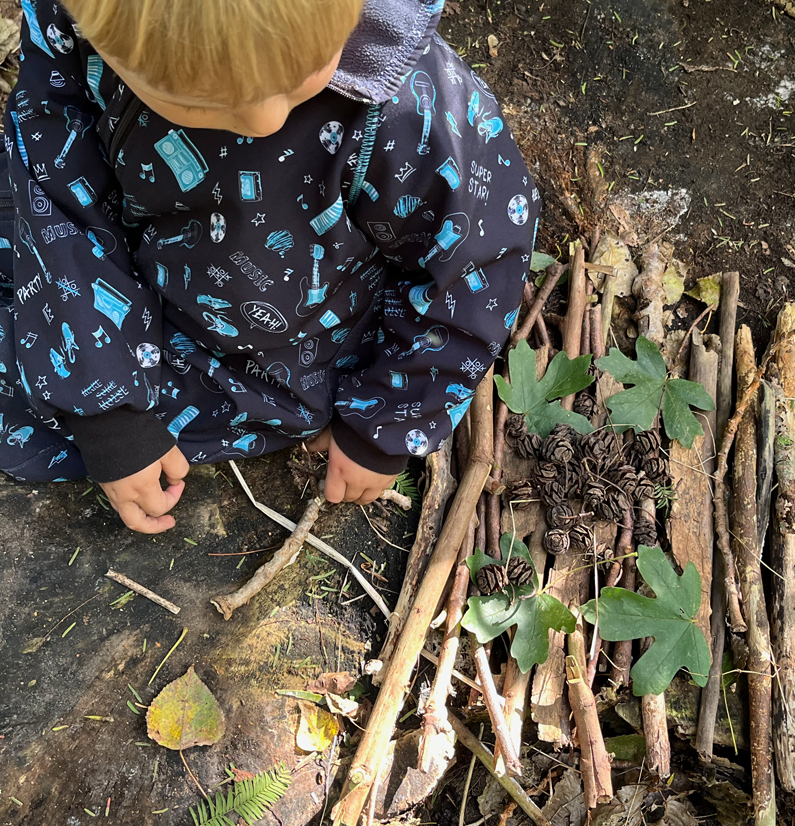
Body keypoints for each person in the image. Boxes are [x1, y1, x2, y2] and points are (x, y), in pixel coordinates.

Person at [0, 0, 538, 533]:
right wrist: (108, 402)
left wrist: (384, 423)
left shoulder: (410, 105)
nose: (266, 118)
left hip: (271, 350)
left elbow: (475, 267)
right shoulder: (73, 19)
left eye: (304, 70)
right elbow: (53, 175)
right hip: (132, 236)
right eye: (206, 101)